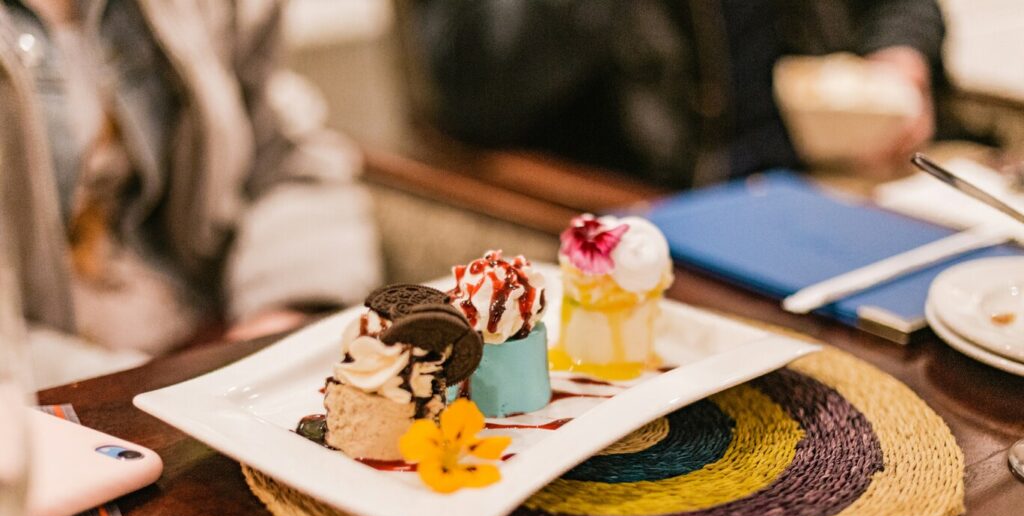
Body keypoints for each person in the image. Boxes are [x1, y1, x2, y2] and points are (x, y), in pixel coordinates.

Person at [0, 0, 383, 386]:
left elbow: (285, 156)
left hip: (210, 338)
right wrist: (135, 390)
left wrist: (283, 314)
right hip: (54, 397)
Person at [405, 0, 945, 187]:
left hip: (827, 179)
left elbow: (900, 6)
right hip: (649, 209)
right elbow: (468, 86)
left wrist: (899, 57)